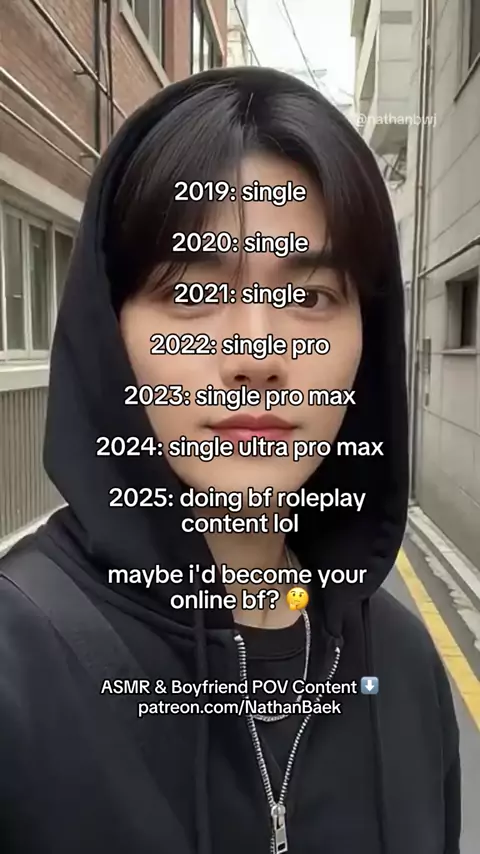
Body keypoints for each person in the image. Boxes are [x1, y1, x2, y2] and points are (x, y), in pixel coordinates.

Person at [0, 67, 460, 854]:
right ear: (110, 331)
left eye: (309, 297)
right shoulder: (17, 667)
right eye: (190, 292)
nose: (256, 355)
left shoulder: (405, 668)